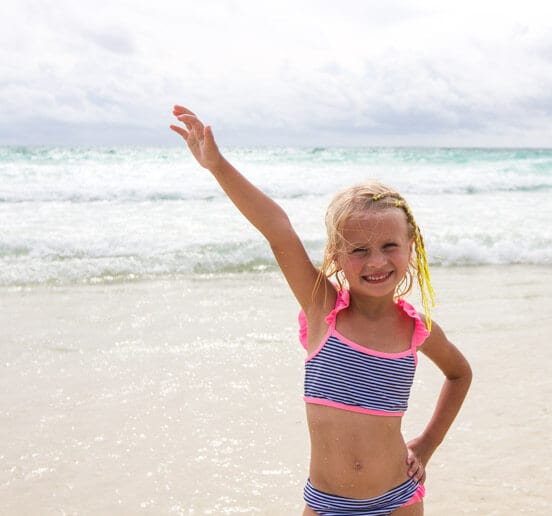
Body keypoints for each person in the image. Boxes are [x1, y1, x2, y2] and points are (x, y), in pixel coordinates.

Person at [170, 105, 472, 515]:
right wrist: (217, 166)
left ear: (410, 249)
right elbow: (277, 228)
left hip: (398, 499)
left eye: (389, 246)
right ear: (336, 256)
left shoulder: (415, 328)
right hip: (326, 503)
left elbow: (459, 373)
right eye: (359, 250)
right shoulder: (322, 308)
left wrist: (428, 443)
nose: (376, 262)